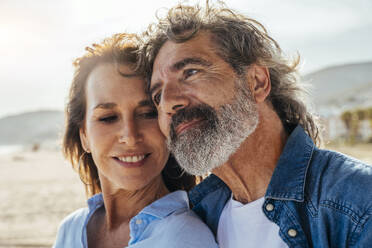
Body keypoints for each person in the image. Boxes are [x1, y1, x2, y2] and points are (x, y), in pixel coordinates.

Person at [142, 2, 372, 247]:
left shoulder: (360, 206)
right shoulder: (194, 219)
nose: (168, 103)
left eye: (190, 72)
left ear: (257, 83)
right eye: (157, 96)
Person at [53, 33, 218, 248]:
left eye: (147, 113)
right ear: (84, 136)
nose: (130, 136)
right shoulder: (71, 229)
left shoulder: (184, 237)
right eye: (108, 118)